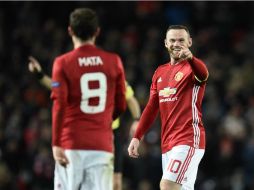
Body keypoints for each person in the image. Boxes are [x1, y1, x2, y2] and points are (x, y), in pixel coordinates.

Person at [28, 8, 127, 190]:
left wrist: (56, 143)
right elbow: (121, 104)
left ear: (70, 31)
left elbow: (59, 105)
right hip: (102, 145)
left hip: (71, 145)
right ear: (97, 31)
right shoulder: (114, 61)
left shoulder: (63, 62)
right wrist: (102, 121)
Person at [28, 58, 141, 190]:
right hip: (89, 134)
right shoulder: (85, 78)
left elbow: (131, 99)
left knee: (114, 182)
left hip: (110, 134)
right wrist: (40, 75)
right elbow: (57, 86)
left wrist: (137, 119)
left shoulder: (112, 78)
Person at [128, 25, 209, 190]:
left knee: (167, 185)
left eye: (181, 40)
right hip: (167, 144)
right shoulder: (160, 72)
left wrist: (191, 58)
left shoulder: (192, 68)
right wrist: (137, 136)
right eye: (172, 40)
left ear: (190, 42)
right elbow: (151, 107)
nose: (176, 44)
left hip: (188, 140)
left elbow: (204, 74)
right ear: (166, 43)